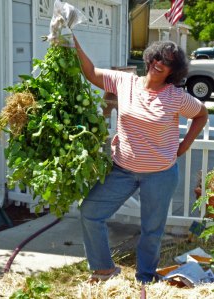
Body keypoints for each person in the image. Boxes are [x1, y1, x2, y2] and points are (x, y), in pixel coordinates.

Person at [73, 36, 208, 284]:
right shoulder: (125, 82)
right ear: (149, 57)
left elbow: (202, 114)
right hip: (122, 170)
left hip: (161, 174)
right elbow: (91, 73)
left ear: (173, 70)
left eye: (167, 62)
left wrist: (183, 145)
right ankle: (104, 269)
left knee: (152, 230)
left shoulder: (175, 96)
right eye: (157, 57)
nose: (159, 63)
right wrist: (73, 43)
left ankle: (145, 277)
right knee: (90, 212)